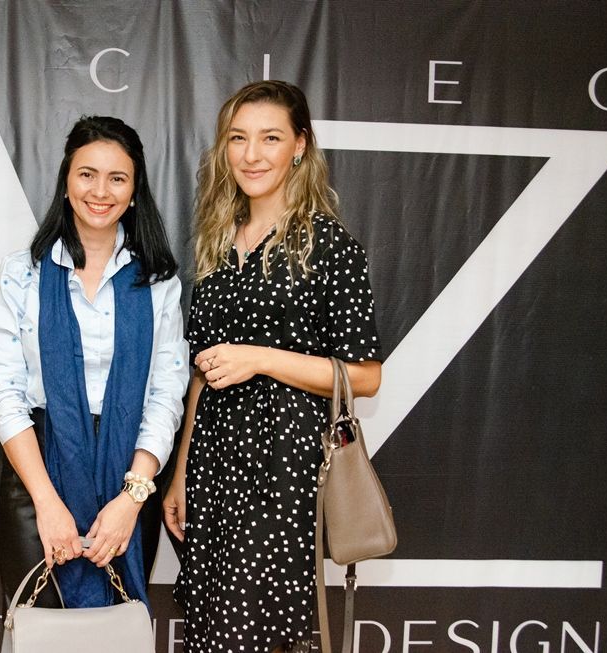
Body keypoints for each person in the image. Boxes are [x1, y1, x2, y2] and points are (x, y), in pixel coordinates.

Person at [163, 81, 383, 652]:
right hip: (214, 466)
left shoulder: (331, 246)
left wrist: (260, 358)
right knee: (211, 627)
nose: (251, 154)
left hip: (282, 471)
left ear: (300, 147)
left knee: (253, 632)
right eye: (238, 138)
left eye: (270, 138)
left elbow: (365, 376)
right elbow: (201, 373)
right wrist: (183, 469)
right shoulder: (216, 244)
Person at [0, 116, 188, 610]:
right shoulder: (19, 274)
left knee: (116, 629)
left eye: (118, 178)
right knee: (40, 632)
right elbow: (1, 391)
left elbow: (165, 393)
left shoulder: (157, 282)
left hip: (129, 482)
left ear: (135, 192)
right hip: (38, 476)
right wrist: (48, 506)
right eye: (87, 174)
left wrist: (132, 499)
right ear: (66, 182)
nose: (101, 191)